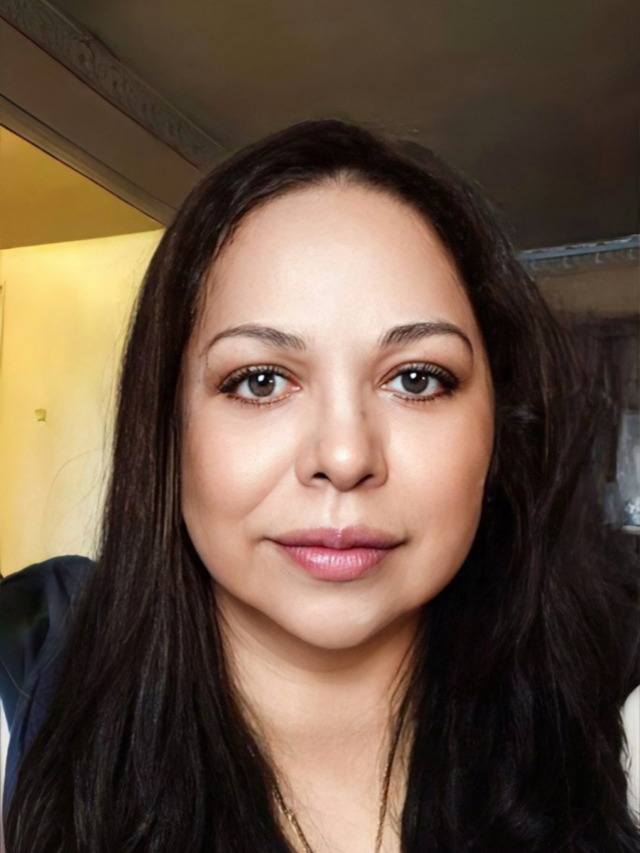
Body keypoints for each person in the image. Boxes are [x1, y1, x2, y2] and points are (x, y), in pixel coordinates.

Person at [1, 119, 639, 853]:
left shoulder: (614, 716)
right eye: (260, 380)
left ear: (499, 423)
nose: (343, 455)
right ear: (167, 427)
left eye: (416, 379)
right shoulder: (26, 686)